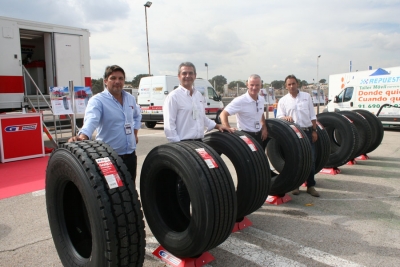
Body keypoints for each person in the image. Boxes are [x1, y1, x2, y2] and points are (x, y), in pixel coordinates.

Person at [68, 65, 142, 180]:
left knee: (130, 190)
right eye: (113, 78)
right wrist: (83, 135)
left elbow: (137, 116)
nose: (117, 81)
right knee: (112, 192)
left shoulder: (130, 98)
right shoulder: (98, 101)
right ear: (106, 81)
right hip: (108, 158)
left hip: (130, 156)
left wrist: (135, 133)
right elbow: (92, 119)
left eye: (121, 78)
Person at [163, 62, 234, 142]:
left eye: (190, 73)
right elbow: (169, 126)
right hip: (183, 143)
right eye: (184, 73)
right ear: (179, 76)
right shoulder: (173, 97)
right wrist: (178, 147)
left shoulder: (198, 95)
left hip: (199, 142)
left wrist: (218, 126)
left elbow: (201, 117)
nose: (187, 76)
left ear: (195, 76)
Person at [276, 74, 319, 197]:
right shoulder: (283, 101)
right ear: (286, 86)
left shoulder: (306, 97)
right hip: (293, 134)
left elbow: (312, 116)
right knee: (296, 160)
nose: (291, 86)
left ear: (297, 84)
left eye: (293, 83)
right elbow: (278, 117)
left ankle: (310, 186)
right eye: (289, 84)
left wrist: (314, 131)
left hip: (307, 131)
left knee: (310, 159)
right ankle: (296, 186)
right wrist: (285, 117)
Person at [219, 74, 268, 147]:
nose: (254, 87)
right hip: (245, 136)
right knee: (250, 158)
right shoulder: (240, 100)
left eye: (257, 85)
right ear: (247, 85)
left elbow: (260, 113)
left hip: (259, 136)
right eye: (252, 85)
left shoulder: (261, 99)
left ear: (261, 85)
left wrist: (264, 128)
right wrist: (228, 130)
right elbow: (223, 114)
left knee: (259, 158)